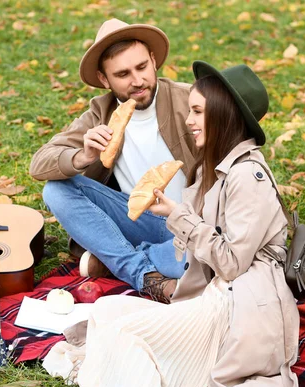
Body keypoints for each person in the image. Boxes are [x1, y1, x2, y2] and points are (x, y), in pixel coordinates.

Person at [42, 61, 300, 387]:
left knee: (123, 336)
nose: (189, 120)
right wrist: (173, 213)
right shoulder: (219, 164)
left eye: (197, 112)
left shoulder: (247, 176)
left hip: (235, 308)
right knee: (106, 311)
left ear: (224, 116)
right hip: (210, 290)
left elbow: (233, 264)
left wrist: (179, 215)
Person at [29, 18, 197, 302]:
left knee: (202, 263)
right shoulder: (100, 113)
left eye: (142, 67)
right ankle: (146, 275)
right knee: (55, 190)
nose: (137, 80)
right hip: (141, 220)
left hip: (194, 223)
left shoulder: (188, 100)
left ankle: (115, 260)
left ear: (154, 61)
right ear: (105, 80)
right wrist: (83, 156)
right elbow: (39, 164)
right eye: (123, 74)